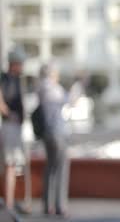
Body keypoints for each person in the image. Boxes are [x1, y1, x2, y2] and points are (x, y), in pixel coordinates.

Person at [37, 63, 70, 217]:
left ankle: (47, 205)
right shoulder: (52, 88)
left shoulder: (40, 88)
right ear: (51, 74)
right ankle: (59, 205)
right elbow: (66, 99)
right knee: (62, 168)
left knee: (50, 168)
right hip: (58, 132)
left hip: (47, 134)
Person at [0, 48, 28, 212]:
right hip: (9, 126)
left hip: (16, 127)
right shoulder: (5, 79)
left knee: (14, 165)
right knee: (10, 165)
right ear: (14, 64)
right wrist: (9, 114)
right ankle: (9, 204)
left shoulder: (17, 79)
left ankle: (12, 202)